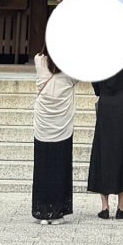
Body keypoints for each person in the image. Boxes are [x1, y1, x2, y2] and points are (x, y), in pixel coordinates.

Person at [87, 58, 123, 219]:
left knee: (104, 151)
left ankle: (104, 206)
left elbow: (95, 87)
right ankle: (121, 207)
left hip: (106, 104)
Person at [32, 48, 76, 225]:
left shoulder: (39, 62)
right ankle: (57, 211)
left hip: (43, 125)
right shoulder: (70, 71)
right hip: (62, 125)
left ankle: (42, 211)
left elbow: (40, 55)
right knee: (60, 168)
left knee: (42, 168)